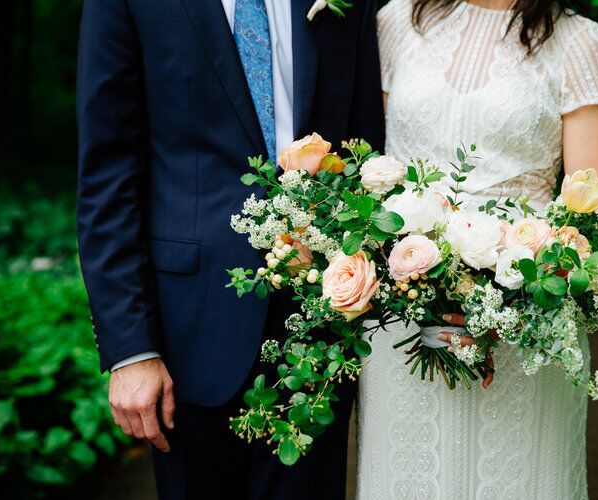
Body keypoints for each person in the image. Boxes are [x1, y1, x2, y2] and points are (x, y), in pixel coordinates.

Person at [76, 1, 384, 498]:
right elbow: (108, 175)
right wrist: (130, 348)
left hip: (320, 321)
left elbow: (366, 149)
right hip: (188, 328)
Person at [358, 0, 598, 498]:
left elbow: (594, 213)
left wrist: (505, 298)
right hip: (404, 311)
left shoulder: (579, 40)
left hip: (527, 316)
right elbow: (371, 169)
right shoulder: (395, 20)